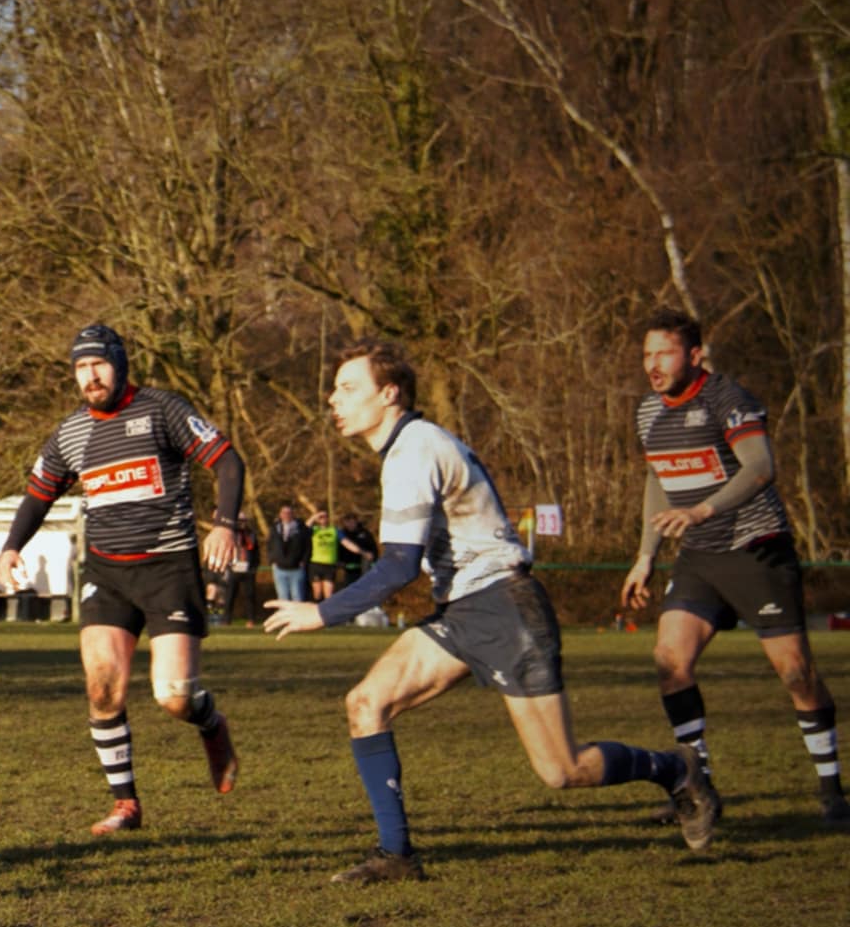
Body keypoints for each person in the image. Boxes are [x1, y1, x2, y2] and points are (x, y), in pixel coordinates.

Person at [264, 341, 716, 882]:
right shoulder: (407, 447)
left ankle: (677, 768)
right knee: (366, 703)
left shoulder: (414, 450)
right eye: (335, 389)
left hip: (506, 610)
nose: (333, 399)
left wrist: (320, 613)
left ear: (389, 394)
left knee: (562, 770)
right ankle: (397, 856)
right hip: (462, 609)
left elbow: (399, 565)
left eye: (348, 387)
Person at [0, 321, 243, 835]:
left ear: (120, 365)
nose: (90, 376)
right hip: (107, 573)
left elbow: (227, 461)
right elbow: (39, 495)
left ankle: (210, 723)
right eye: (81, 368)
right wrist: (10, 548)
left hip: (168, 568)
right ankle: (125, 804)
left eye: (99, 365)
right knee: (102, 688)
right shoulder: (70, 433)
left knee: (174, 696)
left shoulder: (162, 410)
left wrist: (224, 525)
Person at [620, 309, 847, 822]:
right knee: (670, 660)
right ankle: (698, 788)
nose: (653, 365)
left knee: (796, 673)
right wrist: (645, 555)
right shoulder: (649, 411)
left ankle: (831, 788)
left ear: (694, 355)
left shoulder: (727, 400)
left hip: (755, 549)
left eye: (664, 353)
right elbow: (658, 479)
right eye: (647, 355)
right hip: (699, 557)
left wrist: (702, 510)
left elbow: (761, 468)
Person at [219, 516, 260, 625]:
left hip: (248, 569)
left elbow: (256, 551)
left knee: (250, 595)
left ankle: (251, 619)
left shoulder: (251, 534)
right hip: (234, 568)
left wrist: (254, 566)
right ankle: (226, 620)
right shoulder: (231, 534)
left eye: (244, 521)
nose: (242, 523)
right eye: (240, 521)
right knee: (230, 595)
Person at [269, 503, 310, 603]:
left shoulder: (301, 528)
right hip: (279, 568)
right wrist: (272, 560)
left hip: (296, 569)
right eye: (284, 513)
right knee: (283, 597)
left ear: (293, 514)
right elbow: (270, 545)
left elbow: (308, 546)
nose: (286, 515)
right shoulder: (275, 528)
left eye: (289, 513)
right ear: (280, 514)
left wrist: (304, 561)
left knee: (298, 597)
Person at [307, 507, 341, 601]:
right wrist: (315, 516)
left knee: (329, 594)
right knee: (317, 593)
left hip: (330, 565)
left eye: (325, 516)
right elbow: (305, 527)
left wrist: (362, 551)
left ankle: (328, 610)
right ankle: (316, 608)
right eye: (321, 517)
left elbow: (346, 542)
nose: (323, 519)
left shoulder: (334, 530)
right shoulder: (314, 530)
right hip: (316, 565)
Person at [337, 511, 375, 590]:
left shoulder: (365, 533)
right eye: (348, 522)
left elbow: (372, 548)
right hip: (349, 568)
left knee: (365, 586)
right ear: (344, 522)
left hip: (364, 567)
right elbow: (339, 549)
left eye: (353, 522)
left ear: (356, 521)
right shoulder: (342, 534)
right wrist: (341, 561)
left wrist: (373, 559)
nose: (351, 524)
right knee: (350, 588)